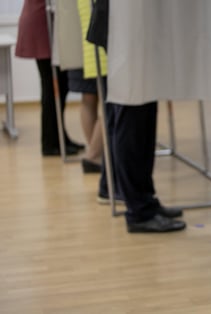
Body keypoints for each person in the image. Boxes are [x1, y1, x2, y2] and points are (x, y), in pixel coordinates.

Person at [88, 0, 186, 233]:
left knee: (142, 113)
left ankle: (146, 201)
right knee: (131, 118)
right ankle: (139, 211)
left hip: (131, 26)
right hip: (121, 27)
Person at [15, 0, 84, 156]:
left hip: (47, 25)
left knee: (61, 85)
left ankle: (60, 137)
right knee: (52, 87)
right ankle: (50, 143)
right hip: (42, 25)